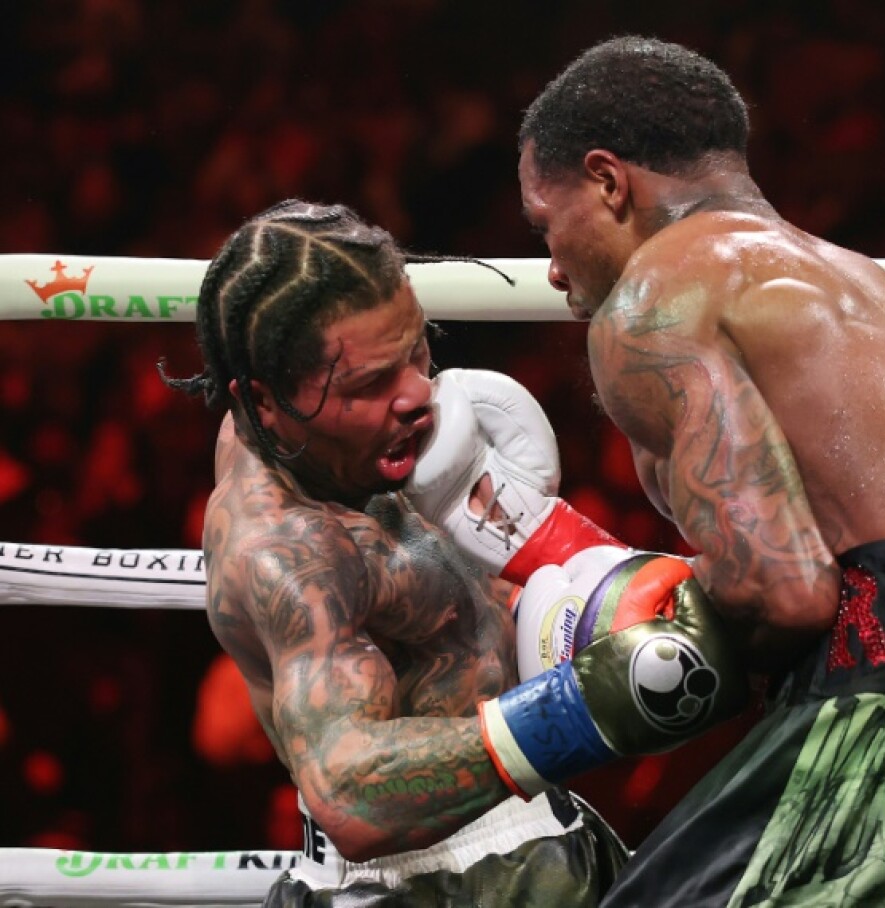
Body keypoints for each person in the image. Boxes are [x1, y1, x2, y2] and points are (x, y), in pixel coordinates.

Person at [516, 36, 885, 907]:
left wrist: (624, 648)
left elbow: (785, 591)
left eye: (545, 224)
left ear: (608, 181)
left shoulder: (656, 298)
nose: (553, 266)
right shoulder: (860, 280)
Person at [159, 199, 748, 906]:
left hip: (530, 831)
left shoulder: (332, 439)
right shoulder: (287, 550)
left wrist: (584, 589)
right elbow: (349, 794)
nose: (419, 394)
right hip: (424, 884)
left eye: (417, 350)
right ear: (264, 402)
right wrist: (585, 704)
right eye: (370, 383)